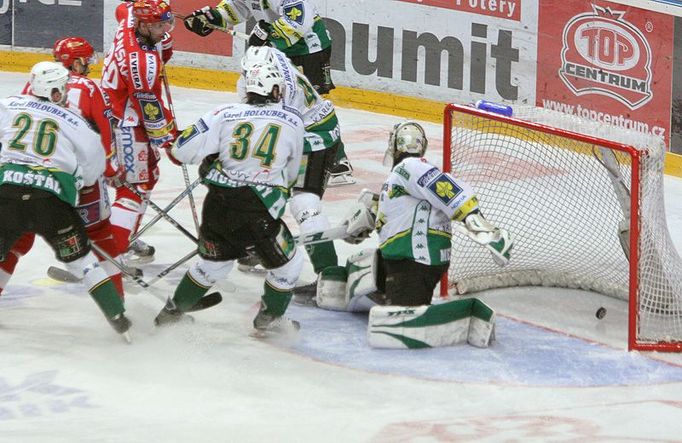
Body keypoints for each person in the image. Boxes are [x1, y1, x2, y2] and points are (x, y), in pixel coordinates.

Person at [311, 122, 514, 348]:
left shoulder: (412, 167)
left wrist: (480, 225)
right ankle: (380, 295)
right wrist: (365, 220)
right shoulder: (399, 177)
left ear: (396, 144)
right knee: (366, 264)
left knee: (395, 323)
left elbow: (447, 189)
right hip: (402, 259)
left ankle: (464, 316)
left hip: (415, 261)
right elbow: (398, 211)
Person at [154, 62, 306, 337]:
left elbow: (180, 153)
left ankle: (173, 312)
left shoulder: (224, 113)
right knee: (289, 264)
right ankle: (269, 320)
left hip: (217, 203)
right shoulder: (292, 119)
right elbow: (294, 172)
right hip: (255, 209)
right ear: (273, 90)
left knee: (214, 264)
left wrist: (213, 159)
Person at [0, 61, 130, 337]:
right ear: (57, 91)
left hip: (7, 193)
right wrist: (80, 179)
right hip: (52, 200)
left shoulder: (8, 104)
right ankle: (118, 318)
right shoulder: (74, 121)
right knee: (82, 260)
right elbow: (94, 163)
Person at [233, 46, 349, 283]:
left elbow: (271, 135)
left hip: (315, 136)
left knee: (304, 203)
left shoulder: (282, 94)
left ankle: (328, 274)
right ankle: (262, 247)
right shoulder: (267, 64)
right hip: (302, 129)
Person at [101, 0, 177, 265]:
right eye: (159, 25)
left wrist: (160, 41)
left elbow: (123, 7)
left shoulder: (130, 19)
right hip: (127, 123)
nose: (166, 28)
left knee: (149, 176)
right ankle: (111, 254)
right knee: (135, 187)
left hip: (114, 109)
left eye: (168, 21)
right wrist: (173, 139)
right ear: (144, 25)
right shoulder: (142, 64)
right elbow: (152, 113)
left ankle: (125, 234)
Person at [184, 0, 334, 95]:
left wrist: (269, 34)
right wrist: (213, 18)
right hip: (280, 49)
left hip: (311, 48)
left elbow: (299, 20)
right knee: (265, 93)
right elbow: (237, 6)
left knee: (311, 100)